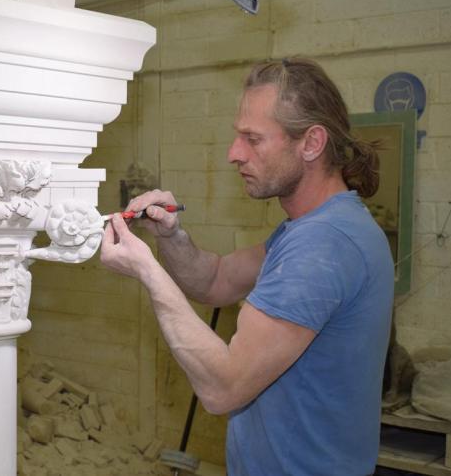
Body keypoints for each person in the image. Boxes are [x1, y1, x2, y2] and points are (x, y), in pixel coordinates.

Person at [100, 58, 395, 475]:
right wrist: (170, 237)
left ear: (311, 143)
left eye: (252, 139)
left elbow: (222, 388)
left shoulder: (323, 245)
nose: (233, 154)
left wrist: (148, 272)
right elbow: (217, 280)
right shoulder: (308, 228)